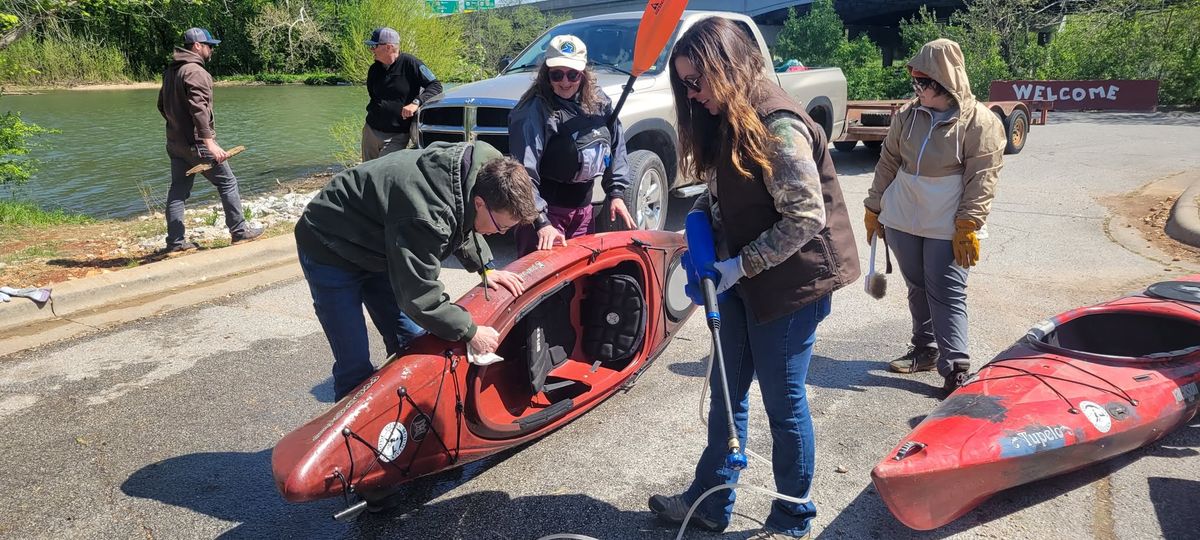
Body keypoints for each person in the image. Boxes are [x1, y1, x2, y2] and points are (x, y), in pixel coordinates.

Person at [648, 17, 860, 540]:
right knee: (726, 393)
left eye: (697, 81)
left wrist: (739, 264)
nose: (693, 96)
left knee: (783, 405)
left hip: (791, 286)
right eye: (685, 86)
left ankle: (792, 518)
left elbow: (805, 216)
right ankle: (712, 501)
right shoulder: (728, 115)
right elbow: (721, 191)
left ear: (727, 65)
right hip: (741, 278)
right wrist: (698, 219)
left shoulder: (777, 123)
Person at [294, 140, 539, 401]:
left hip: (383, 243)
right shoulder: (427, 215)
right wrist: (471, 331)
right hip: (329, 245)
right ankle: (354, 430)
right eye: (500, 227)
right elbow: (420, 296)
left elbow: (461, 218)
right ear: (480, 202)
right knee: (354, 363)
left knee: (411, 337)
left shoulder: (483, 173)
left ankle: (410, 409)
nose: (498, 234)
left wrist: (485, 267)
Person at [863, 38, 1004, 397]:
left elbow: (982, 178)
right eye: (915, 83)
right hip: (904, 217)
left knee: (947, 291)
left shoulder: (979, 123)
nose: (918, 90)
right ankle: (924, 350)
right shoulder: (908, 116)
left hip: (948, 221)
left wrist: (969, 224)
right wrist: (874, 206)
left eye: (924, 83)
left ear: (944, 82)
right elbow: (888, 162)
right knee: (918, 287)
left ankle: (956, 367)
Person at [507, 34, 634, 256]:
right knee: (545, 286)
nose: (565, 82)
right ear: (546, 74)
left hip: (583, 213)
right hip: (546, 215)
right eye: (557, 74)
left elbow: (615, 146)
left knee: (582, 281)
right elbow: (523, 172)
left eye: (573, 74)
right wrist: (541, 221)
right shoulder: (532, 110)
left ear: (583, 74)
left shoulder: (598, 102)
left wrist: (616, 194)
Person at [157, 27, 261, 252]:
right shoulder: (195, 71)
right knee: (227, 182)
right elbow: (199, 109)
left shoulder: (170, 72)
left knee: (178, 191)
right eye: (209, 45)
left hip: (175, 144)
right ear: (197, 46)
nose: (211, 50)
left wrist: (177, 128)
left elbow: (161, 106)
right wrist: (209, 142)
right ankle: (240, 231)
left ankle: (175, 243)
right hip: (197, 145)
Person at [362, 27, 443, 161]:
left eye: (374, 46)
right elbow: (373, 96)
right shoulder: (374, 69)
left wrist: (416, 102)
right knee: (364, 173)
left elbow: (435, 85)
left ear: (388, 47)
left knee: (383, 173)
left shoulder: (411, 63)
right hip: (371, 131)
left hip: (397, 135)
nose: (372, 50)